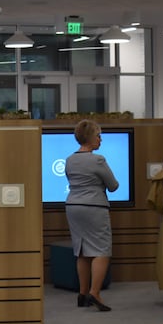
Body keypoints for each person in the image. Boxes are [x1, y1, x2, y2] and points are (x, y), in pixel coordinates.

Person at [64, 119, 119, 312]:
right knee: (101, 250)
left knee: (82, 250)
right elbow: (113, 185)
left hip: (73, 206)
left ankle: (83, 293)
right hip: (94, 206)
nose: (100, 139)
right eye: (98, 135)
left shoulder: (70, 159)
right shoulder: (98, 160)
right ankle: (95, 293)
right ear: (90, 138)